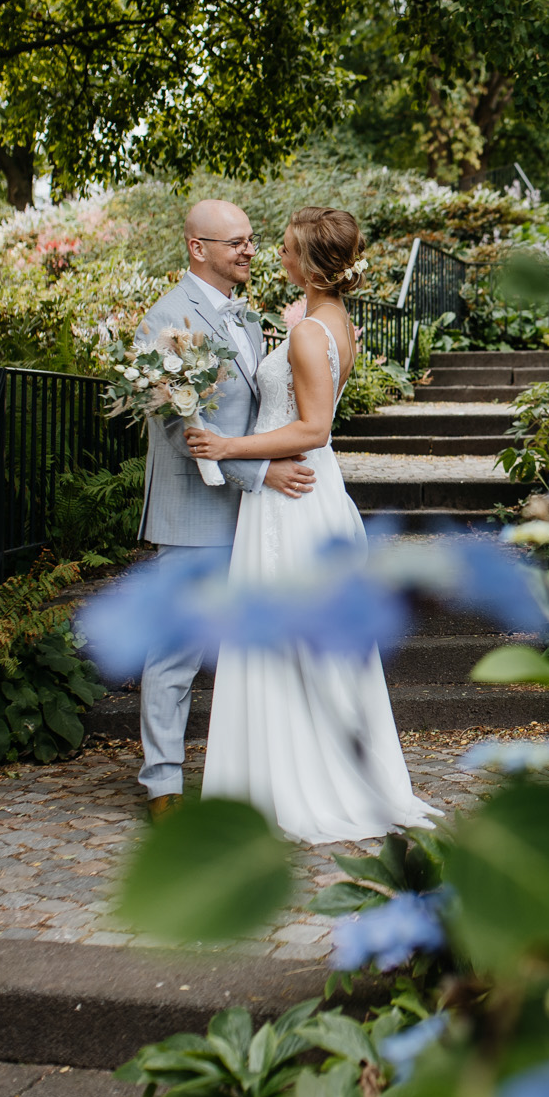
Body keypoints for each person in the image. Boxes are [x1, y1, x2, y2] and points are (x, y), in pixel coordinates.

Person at [184, 206, 439, 844]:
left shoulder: (306, 333)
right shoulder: (334, 323)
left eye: (288, 249)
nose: (277, 256)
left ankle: (296, 785)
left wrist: (228, 447)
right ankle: (302, 773)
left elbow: (315, 428)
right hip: (310, 491)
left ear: (312, 265)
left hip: (292, 499)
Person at [133, 199, 317, 822]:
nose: (249, 250)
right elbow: (183, 433)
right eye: (235, 242)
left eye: (250, 239)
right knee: (177, 652)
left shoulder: (247, 317)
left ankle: (253, 773)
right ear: (197, 248)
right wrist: (264, 472)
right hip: (196, 513)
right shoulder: (165, 321)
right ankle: (163, 784)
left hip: (257, 515)